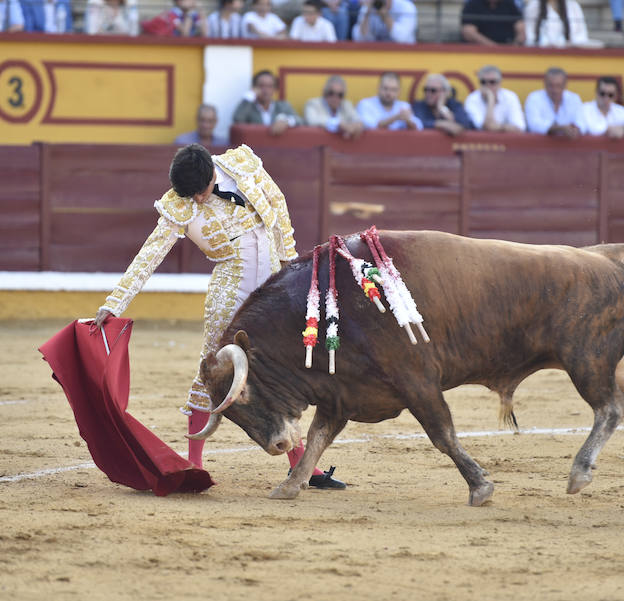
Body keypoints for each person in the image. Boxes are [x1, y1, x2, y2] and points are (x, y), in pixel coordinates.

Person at [94, 144, 346, 490]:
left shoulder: (243, 164)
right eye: (191, 195)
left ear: (213, 175)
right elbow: (150, 253)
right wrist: (115, 302)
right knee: (211, 370)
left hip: (273, 283)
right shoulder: (180, 203)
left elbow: (277, 203)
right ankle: (192, 465)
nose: (197, 201)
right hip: (230, 289)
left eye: (200, 192)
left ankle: (304, 469)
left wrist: (288, 260)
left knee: (284, 373)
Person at [232, 70, 303, 136]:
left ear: (275, 89)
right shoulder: (249, 107)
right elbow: (238, 119)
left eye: (270, 86)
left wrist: (286, 121)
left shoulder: (282, 106)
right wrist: (249, 97)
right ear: (254, 88)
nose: (265, 90)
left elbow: (300, 120)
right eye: (261, 86)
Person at [524, 66, 583, 138]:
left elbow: (581, 123)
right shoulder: (534, 98)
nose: (555, 90)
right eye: (551, 85)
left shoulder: (574, 99)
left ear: (565, 85)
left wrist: (575, 129)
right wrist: (559, 128)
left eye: (558, 85)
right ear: (544, 84)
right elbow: (533, 125)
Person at [463, 65, 525, 132]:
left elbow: (519, 127)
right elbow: (486, 127)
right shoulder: (472, 99)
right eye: (483, 82)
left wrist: (497, 127)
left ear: (499, 83)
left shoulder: (510, 97)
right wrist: (491, 100)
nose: (488, 85)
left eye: (492, 82)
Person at [411, 73, 474, 137]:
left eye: (433, 90)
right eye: (426, 89)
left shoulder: (454, 104)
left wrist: (441, 107)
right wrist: (442, 124)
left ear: (445, 92)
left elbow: (465, 123)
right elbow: (419, 123)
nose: (428, 93)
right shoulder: (419, 105)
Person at [356, 71, 422, 130]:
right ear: (378, 88)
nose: (389, 93)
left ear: (399, 91)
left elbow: (419, 127)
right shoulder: (365, 104)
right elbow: (369, 125)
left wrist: (408, 121)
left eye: (393, 90)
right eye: (385, 88)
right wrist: (396, 117)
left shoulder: (404, 106)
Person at [523, 0, 589, 47]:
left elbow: (581, 35)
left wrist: (566, 43)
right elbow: (530, 35)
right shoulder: (534, 6)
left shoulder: (573, 6)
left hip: (569, 55)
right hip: (541, 55)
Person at [460, 0, 525, 45]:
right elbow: (468, 32)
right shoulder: (473, 4)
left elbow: (520, 26)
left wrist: (515, 45)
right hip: (478, 50)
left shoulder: (509, 3)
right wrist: (493, 47)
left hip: (508, 49)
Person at [351, 0, 417, 43]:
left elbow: (401, 39)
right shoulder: (368, 8)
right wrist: (366, 13)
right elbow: (360, 39)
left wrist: (384, 14)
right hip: (376, 55)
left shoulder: (406, 7)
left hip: (403, 54)